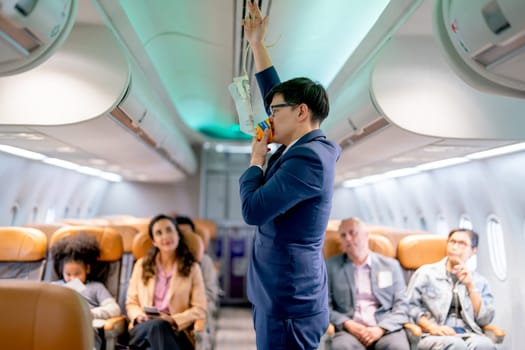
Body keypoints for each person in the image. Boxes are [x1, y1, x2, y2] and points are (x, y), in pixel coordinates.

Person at [239, 2, 341, 349]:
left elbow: (253, 210)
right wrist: (257, 44)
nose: (268, 120)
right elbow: (277, 94)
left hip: (288, 301)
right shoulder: (303, 146)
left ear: (301, 112)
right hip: (278, 294)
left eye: (273, 113)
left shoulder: (309, 158)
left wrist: (256, 161)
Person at [326, 218, 410, 350]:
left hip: (385, 328)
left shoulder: (390, 266)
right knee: (341, 347)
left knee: (398, 347)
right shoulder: (331, 266)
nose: (348, 238)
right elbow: (325, 306)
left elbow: (402, 305)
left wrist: (381, 329)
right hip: (350, 330)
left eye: (352, 233)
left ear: (365, 236)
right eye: (343, 235)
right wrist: (347, 323)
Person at [125, 214, 207, 350]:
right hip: (143, 329)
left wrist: (173, 319)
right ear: (154, 241)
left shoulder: (192, 268)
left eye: (169, 230)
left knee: (158, 332)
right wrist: (138, 316)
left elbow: (200, 309)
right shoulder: (141, 265)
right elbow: (131, 302)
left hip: (175, 331)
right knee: (157, 325)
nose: (165, 236)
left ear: (178, 234)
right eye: (159, 233)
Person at [406, 229, 496, 350]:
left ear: (473, 250)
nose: (455, 247)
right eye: (452, 242)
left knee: (484, 345)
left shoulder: (479, 281)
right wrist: (432, 327)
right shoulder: (426, 273)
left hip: (468, 333)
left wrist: (470, 286)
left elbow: (485, 319)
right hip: (432, 334)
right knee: (455, 345)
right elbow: (409, 307)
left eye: (462, 244)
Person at [51, 232, 121, 350]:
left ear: (87, 269)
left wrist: (92, 313)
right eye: (68, 274)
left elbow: (114, 309)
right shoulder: (55, 287)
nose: (72, 278)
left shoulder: (95, 287)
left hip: (87, 326)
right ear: (61, 271)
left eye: (77, 274)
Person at [175, 215, 220, 317]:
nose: (184, 239)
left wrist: (194, 304)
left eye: (188, 234)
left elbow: (211, 291)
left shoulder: (205, 261)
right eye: (180, 234)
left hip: (197, 304)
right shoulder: (166, 259)